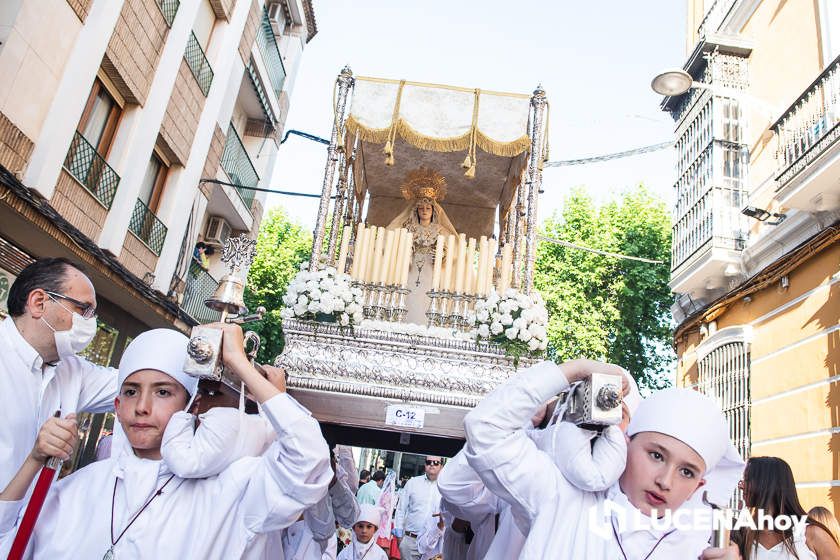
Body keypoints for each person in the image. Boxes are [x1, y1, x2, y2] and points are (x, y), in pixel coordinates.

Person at [0, 325, 332, 558]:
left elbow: (309, 460)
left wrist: (239, 365)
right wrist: (34, 460)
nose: (141, 407)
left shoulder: (232, 490)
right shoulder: (75, 490)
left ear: (192, 405)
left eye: (162, 392)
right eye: (131, 392)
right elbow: (6, 542)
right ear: (117, 406)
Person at [460, 359, 747, 559]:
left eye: (687, 472)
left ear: (698, 486)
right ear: (625, 443)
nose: (665, 481)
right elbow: (484, 428)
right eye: (656, 455)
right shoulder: (561, 497)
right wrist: (575, 370)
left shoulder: (695, 545)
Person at [438, 368, 643, 560]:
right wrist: (526, 423)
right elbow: (455, 486)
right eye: (595, 404)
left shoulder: (639, 513)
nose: (602, 422)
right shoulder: (538, 476)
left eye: (616, 411)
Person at [0, 258, 116, 494]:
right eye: (83, 309)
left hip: (29, 528)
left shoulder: (72, 371)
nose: (91, 322)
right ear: (39, 302)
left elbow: (137, 383)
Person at [386, 167, 457, 325]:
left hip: (431, 270)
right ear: (416, 211)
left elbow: (453, 252)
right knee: (408, 293)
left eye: (428, 208)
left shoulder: (441, 231)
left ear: (433, 211)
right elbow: (393, 245)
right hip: (409, 269)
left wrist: (442, 255)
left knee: (427, 296)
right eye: (421, 208)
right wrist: (405, 251)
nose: (425, 211)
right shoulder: (407, 228)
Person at [735, 457, 840, 559]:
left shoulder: (811, 534)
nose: (741, 486)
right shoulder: (744, 535)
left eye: (747, 479)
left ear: (767, 484)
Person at [394, 456, 443, 560]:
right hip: (411, 541)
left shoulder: (445, 487)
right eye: (429, 462)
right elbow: (400, 509)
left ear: (441, 466)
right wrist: (399, 537)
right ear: (425, 465)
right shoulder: (413, 483)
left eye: (436, 463)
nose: (432, 465)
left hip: (433, 544)